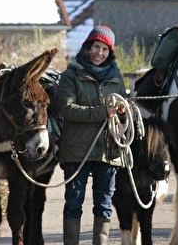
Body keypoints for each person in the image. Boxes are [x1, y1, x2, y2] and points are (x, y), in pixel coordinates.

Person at [56, 26, 127, 245]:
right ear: (88, 47)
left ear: (110, 52)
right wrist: (102, 112)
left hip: (108, 150)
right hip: (77, 150)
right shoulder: (71, 75)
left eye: (105, 49)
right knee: (74, 204)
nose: (99, 53)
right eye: (96, 47)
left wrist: (124, 112)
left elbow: (124, 110)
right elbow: (66, 109)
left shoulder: (116, 78)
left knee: (104, 204)